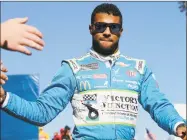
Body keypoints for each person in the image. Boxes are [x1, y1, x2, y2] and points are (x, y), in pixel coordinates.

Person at [0, 3, 186, 140]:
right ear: (91, 29)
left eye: (113, 27)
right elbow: (41, 113)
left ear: (121, 31)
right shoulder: (73, 68)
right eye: (100, 26)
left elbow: (158, 104)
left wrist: (178, 125)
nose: (107, 31)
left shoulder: (139, 69)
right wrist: (4, 98)